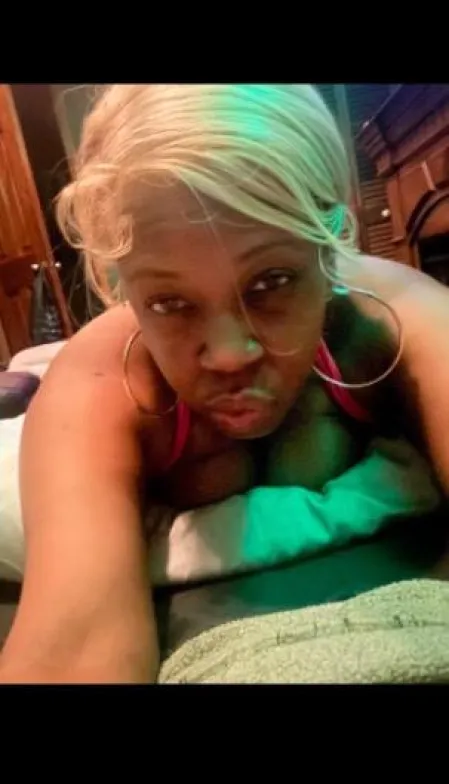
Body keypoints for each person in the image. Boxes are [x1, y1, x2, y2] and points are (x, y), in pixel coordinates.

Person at [0, 84, 448, 684]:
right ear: (119, 286)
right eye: (170, 303)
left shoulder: (393, 318)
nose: (231, 355)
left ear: (327, 247)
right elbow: (73, 651)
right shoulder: (101, 380)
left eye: (272, 282)